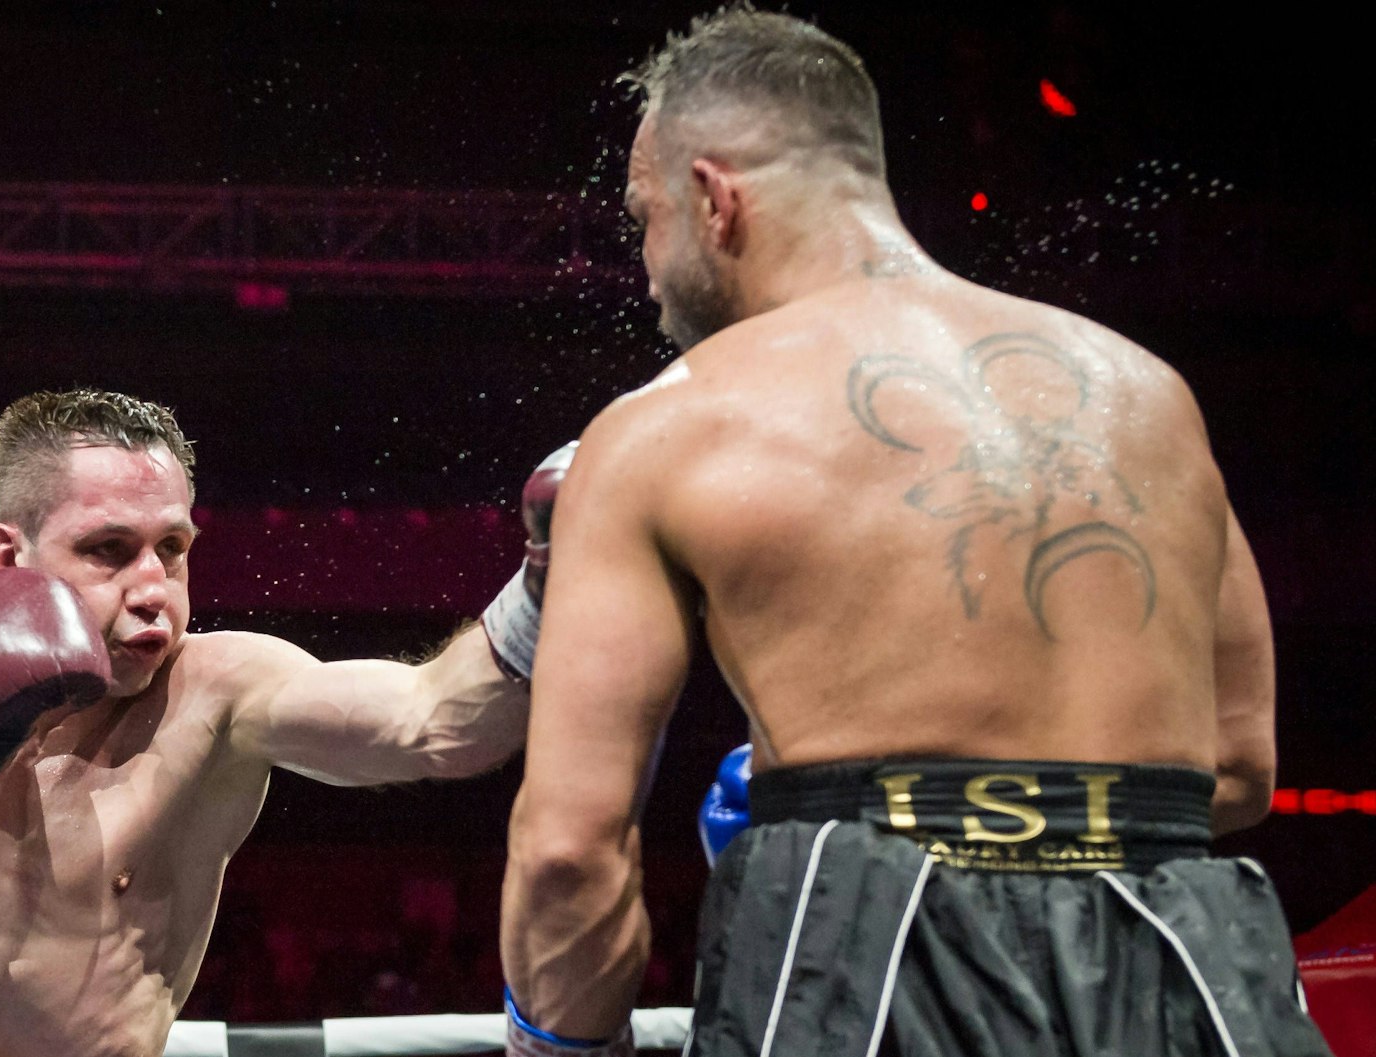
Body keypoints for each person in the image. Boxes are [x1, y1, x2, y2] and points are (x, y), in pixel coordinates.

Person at [498, 7, 1330, 1056]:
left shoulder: (669, 424)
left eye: (645, 217)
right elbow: (1235, 765)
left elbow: (570, 849)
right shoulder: (1143, 392)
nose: (649, 269)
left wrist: (558, 1043)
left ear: (713, 200)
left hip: (867, 943)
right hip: (1187, 956)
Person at [0, 387, 567, 1057]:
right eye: (108, 550)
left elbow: (437, 725)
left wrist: (548, 579)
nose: (154, 586)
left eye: (173, 547)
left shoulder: (220, 693)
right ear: (6, 558)